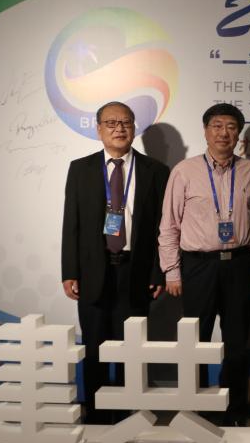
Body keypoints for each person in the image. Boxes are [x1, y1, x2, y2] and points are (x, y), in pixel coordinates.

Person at [61, 101, 169, 424]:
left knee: (129, 349)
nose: (119, 128)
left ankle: (125, 416)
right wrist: (69, 271)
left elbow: (163, 227)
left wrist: (158, 271)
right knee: (94, 348)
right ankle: (95, 415)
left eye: (126, 122)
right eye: (111, 122)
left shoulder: (155, 171)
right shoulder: (80, 169)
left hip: (136, 271)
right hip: (94, 271)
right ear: (98, 129)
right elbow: (71, 224)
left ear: (134, 128)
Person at [159, 103, 250, 426]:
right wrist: (172, 271)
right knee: (196, 339)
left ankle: (234, 408)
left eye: (231, 127)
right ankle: (197, 408)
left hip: (240, 264)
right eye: (217, 126)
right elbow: (169, 225)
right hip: (198, 266)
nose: (223, 133)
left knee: (237, 341)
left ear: (238, 134)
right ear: (205, 131)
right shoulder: (184, 171)